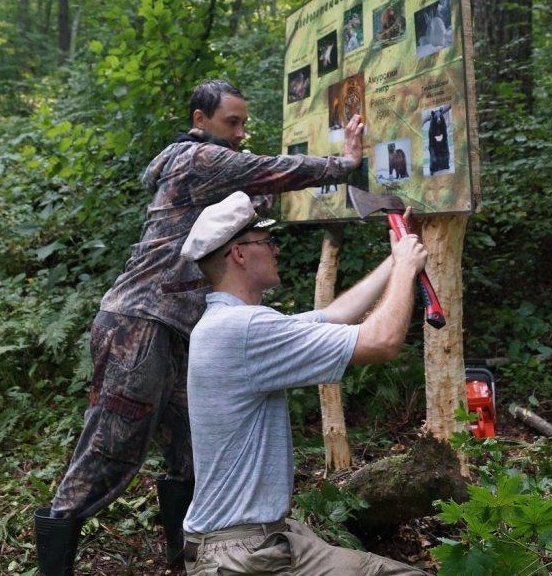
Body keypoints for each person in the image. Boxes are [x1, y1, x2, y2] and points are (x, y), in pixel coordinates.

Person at [33, 80, 365, 576]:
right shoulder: (195, 159)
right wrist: (343, 164)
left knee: (191, 453)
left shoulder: (215, 182)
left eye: (243, 123)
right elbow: (268, 171)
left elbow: (257, 202)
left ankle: (184, 562)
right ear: (199, 119)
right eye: (231, 122)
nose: (239, 133)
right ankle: (54, 559)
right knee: (112, 451)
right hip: (139, 325)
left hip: (184, 330)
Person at [178, 191, 428, 575]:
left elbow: (337, 314)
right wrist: (407, 271)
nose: (276, 250)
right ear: (240, 255)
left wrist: (396, 258)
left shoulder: (230, 323)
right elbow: (382, 341)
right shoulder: (244, 329)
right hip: (240, 556)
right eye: (266, 242)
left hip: (257, 538)